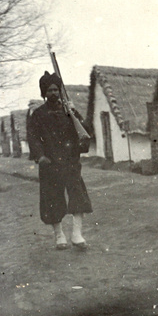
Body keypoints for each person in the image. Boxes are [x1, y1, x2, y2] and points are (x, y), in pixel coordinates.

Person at [27, 71, 93, 250]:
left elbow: (85, 132)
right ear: (44, 93)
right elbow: (32, 137)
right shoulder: (38, 114)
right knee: (52, 200)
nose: (53, 93)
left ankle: (77, 235)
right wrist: (40, 156)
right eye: (49, 90)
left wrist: (74, 113)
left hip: (70, 161)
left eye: (56, 90)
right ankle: (59, 235)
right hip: (50, 162)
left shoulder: (68, 111)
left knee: (78, 195)